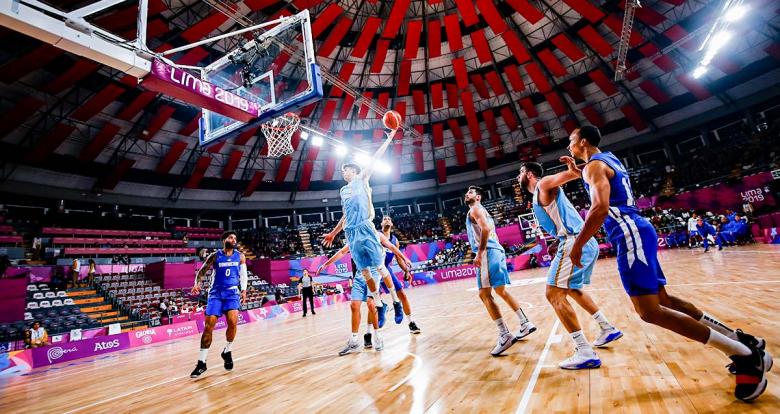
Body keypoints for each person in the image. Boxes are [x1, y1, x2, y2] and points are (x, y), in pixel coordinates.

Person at [563, 125, 770, 401]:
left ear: (583, 142)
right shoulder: (607, 160)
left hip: (629, 234)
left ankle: (745, 355)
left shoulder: (593, 168)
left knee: (649, 312)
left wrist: (578, 245)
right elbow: (607, 186)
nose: (569, 147)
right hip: (639, 229)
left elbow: (600, 208)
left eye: (571, 142)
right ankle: (740, 339)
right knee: (664, 299)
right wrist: (580, 172)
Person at [519, 162, 623, 369]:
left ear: (529, 174)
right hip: (581, 241)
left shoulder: (543, 184)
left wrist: (576, 170)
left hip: (575, 242)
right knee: (573, 290)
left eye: (520, 172)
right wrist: (557, 240)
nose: (517, 177)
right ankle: (607, 327)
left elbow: (571, 175)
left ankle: (584, 351)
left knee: (553, 294)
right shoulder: (540, 194)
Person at [321, 126, 399, 355]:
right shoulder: (343, 191)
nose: (344, 172)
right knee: (356, 303)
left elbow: (375, 159)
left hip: (366, 228)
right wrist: (334, 233)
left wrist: (389, 139)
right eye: (343, 171)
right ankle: (354, 340)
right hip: (351, 232)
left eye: (346, 169)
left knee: (377, 274)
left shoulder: (362, 179)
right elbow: (345, 216)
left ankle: (381, 327)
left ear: (354, 171)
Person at [318, 229, 421, 350]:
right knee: (356, 306)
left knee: (373, 301)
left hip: (377, 270)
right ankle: (362, 335)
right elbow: (342, 252)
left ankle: (384, 326)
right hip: (362, 272)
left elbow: (392, 248)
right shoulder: (354, 236)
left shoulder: (378, 235)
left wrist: (405, 260)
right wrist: (326, 264)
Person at [464, 186, 536, 356]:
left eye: (471, 192)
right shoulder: (482, 210)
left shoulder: (474, 209)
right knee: (501, 291)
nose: (467, 194)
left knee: (484, 294)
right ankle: (524, 322)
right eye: (466, 193)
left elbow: (486, 230)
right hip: (496, 251)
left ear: (478, 197)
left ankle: (504, 334)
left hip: (488, 251)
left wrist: (480, 253)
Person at [190, 231, 247, 378]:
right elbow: (201, 272)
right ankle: (201, 363)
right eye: (230, 237)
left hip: (232, 293)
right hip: (215, 293)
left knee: (233, 322)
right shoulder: (215, 256)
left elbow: (243, 274)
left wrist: (244, 290)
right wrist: (197, 283)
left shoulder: (240, 256)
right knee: (209, 326)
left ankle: (227, 351)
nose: (233, 240)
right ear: (224, 240)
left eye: (235, 238)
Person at [379, 216, 421, 334]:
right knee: (372, 301)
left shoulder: (395, 240)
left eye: (389, 218)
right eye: (384, 218)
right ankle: (372, 333)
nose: (387, 219)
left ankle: (411, 322)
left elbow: (398, 258)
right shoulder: (376, 235)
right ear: (381, 223)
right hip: (375, 270)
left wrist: (406, 271)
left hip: (386, 270)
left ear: (391, 224)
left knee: (402, 294)